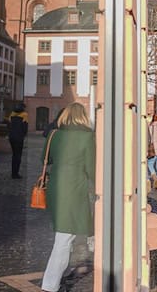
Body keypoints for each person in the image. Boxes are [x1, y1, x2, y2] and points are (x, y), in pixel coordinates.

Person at [41, 103, 95, 292]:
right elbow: (91, 168)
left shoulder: (54, 134)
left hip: (55, 191)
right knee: (63, 239)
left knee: (66, 235)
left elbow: (44, 159)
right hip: (74, 191)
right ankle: (50, 285)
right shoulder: (87, 136)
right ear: (83, 116)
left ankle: (55, 280)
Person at [8, 103, 29, 179]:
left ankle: (13, 172)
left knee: (14, 155)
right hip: (19, 138)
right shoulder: (24, 115)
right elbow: (25, 127)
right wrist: (23, 135)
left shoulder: (12, 114)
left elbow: (9, 125)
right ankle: (16, 173)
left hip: (11, 137)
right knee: (18, 155)